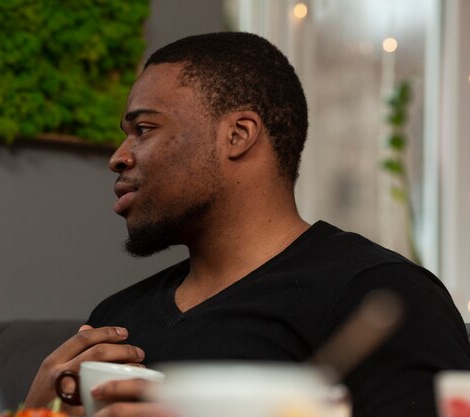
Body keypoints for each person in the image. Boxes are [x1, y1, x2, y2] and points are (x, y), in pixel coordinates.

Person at [25, 32, 470, 417]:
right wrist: (35, 413)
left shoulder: (380, 297)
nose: (118, 156)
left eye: (143, 128)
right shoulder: (114, 322)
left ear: (237, 135)